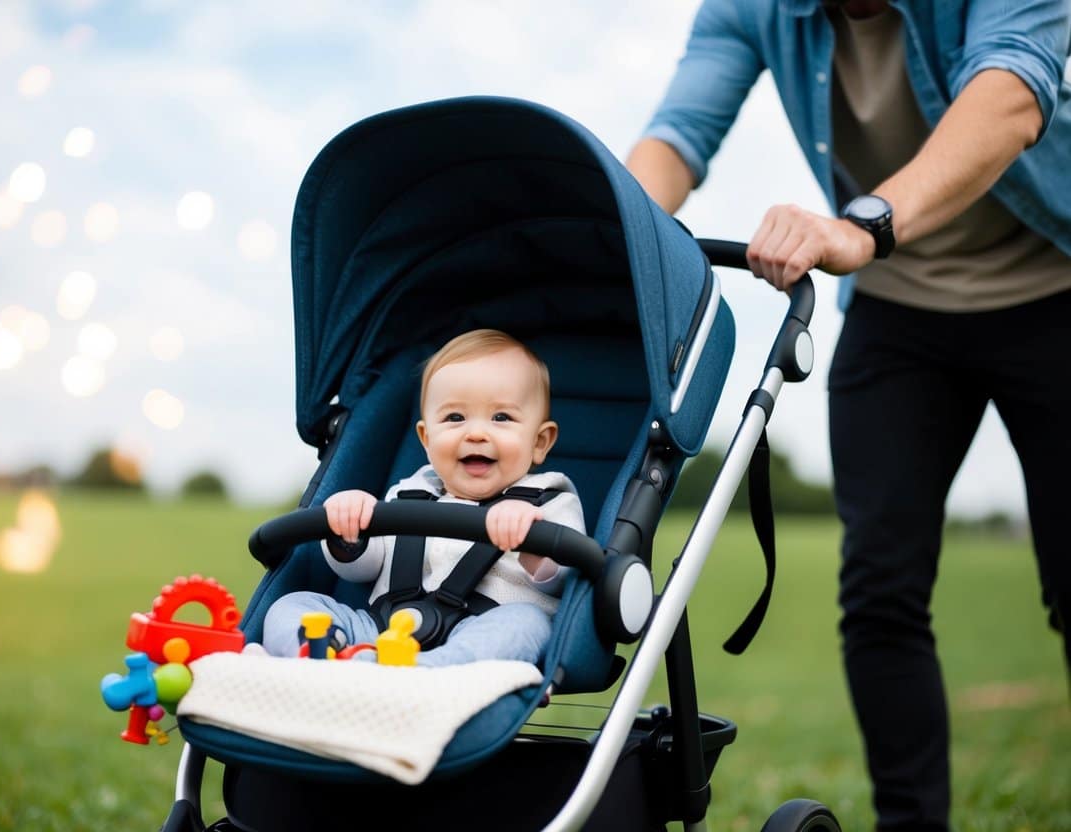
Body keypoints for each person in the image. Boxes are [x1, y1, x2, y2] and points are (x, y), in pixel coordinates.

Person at [624, 1, 1071, 829]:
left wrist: (863, 223)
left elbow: (1011, 89)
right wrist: (606, 241)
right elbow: (677, 135)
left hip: (1054, 286)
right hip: (900, 317)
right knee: (879, 590)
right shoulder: (749, 9)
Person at [262, 328, 586, 668]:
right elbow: (365, 567)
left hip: (480, 630)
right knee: (292, 606)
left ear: (540, 442)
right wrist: (349, 531)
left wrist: (531, 543)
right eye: (455, 418)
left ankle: (431, 673)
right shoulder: (410, 493)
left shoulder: (547, 500)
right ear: (426, 438)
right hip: (382, 632)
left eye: (501, 418)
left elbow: (564, 577)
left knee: (526, 624)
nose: (475, 433)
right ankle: (324, 656)